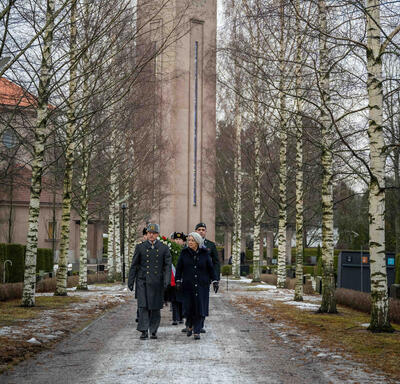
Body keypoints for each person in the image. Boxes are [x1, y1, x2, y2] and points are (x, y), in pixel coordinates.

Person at [128, 223, 171, 340]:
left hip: (157, 282)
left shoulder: (164, 248)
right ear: (146, 234)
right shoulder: (140, 247)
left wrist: (167, 280)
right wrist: (130, 281)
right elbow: (134, 265)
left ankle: (153, 330)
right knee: (143, 306)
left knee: (155, 307)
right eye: (149, 233)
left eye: (153, 233)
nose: (151, 235)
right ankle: (143, 330)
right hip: (143, 281)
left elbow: (167, 266)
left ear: (157, 234)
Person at [175, 232, 218, 340]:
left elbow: (210, 268)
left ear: (198, 242)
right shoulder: (184, 253)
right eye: (189, 240)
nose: (190, 242)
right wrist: (178, 280)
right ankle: (189, 325)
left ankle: (197, 331)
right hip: (188, 285)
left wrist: (215, 281)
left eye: (192, 240)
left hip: (202, 285)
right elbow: (179, 268)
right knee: (189, 307)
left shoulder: (205, 253)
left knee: (200, 307)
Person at [195, 222, 220, 333]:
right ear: (195, 231)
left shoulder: (210, 245)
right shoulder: (190, 244)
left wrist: (215, 279)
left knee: (203, 301)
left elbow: (216, 262)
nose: (201, 231)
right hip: (191, 278)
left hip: (204, 278)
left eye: (203, 229)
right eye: (199, 229)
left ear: (206, 232)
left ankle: (200, 324)